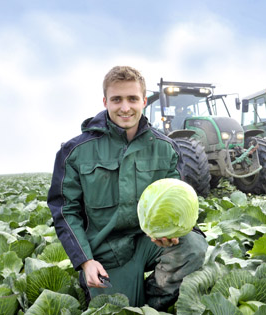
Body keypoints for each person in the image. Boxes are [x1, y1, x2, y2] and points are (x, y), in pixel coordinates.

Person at [47, 66, 208, 310]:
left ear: (143, 100)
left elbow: (175, 199)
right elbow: (65, 211)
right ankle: (126, 290)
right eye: (117, 99)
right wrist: (85, 260)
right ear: (105, 101)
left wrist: (171, 232)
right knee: (119, 309)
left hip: (149, 242)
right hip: (105, 251)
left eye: (132, 99)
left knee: (193, 246)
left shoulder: (165, 148)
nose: (125, 107)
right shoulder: (75, 152)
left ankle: (155, 301)